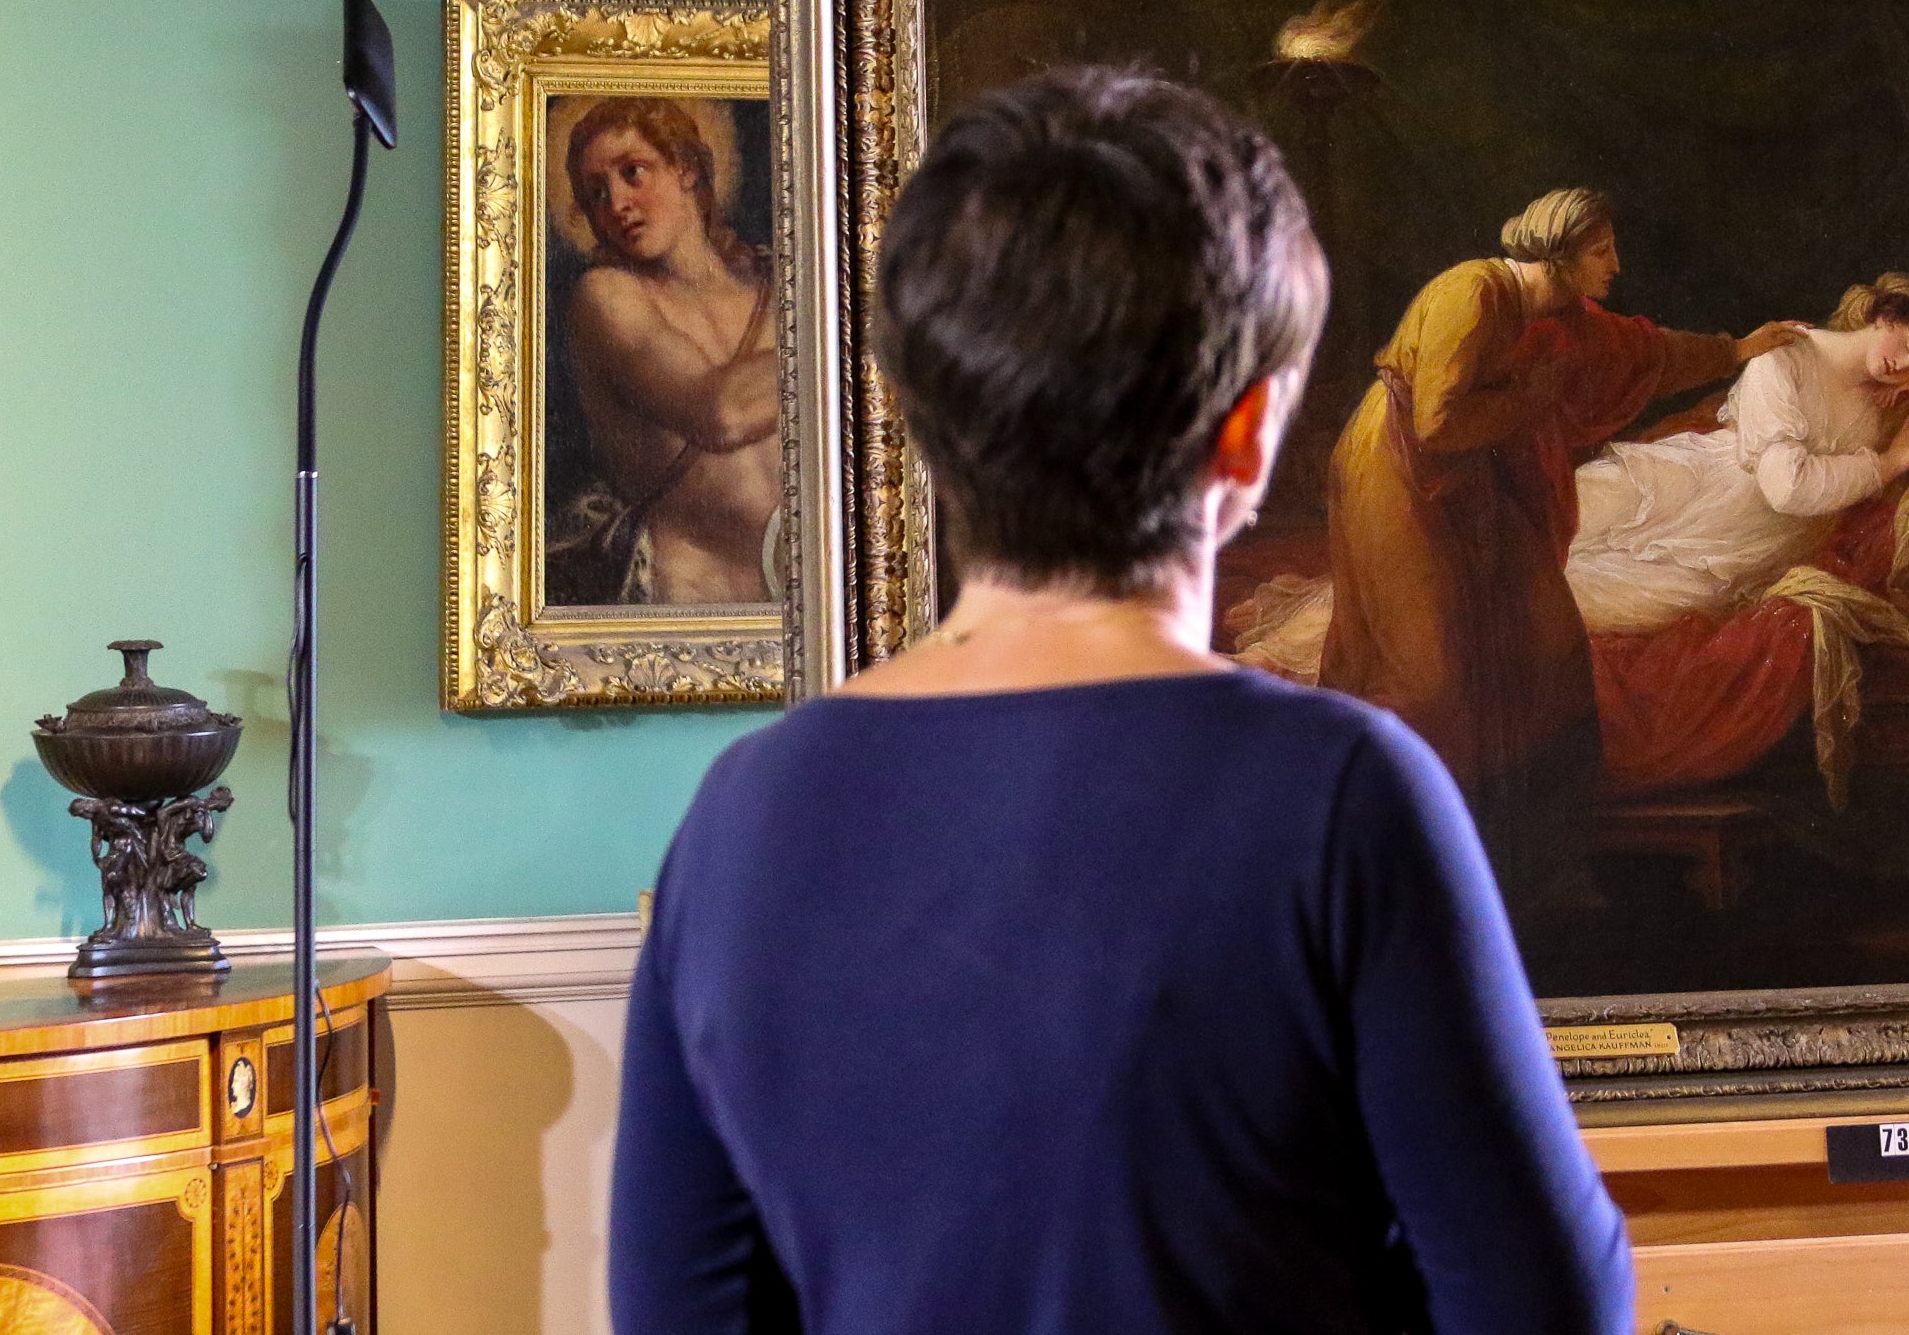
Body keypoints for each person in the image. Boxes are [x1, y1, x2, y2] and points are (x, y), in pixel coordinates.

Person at [610, 69, 1631, 1335]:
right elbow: (1545, 1304)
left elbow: (679, 1311)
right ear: (1251, 438)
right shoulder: (1341, 794)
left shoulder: (744, 813)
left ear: (923, 421)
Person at [1315, 187, 1806, 910]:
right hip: (1396, 475)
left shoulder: (1560, 315)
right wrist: (1533, 397)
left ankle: (1539, 858)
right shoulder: (1472, 292)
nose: (1616, 264)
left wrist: (1736, 350)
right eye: (1602, 251)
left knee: (1548, 644)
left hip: (1467, 477)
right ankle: (1389, 865)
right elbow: (1437, 423)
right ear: (1560, 252)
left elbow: (1642, 350)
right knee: (1427, 669)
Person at [1566, 272, 1909, 634]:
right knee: (1558, 517)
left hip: (1748, 545)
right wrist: (1887, 464)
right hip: (1696, 480)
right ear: (1884, 315)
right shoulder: (1783, 353)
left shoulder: (1892, 409)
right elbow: (1786, 486)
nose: (1904, 369)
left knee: (1582, 598)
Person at [548, 97, 780, 606]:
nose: (617, 204)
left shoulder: (775, 285)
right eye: (596, 193)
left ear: (686, 168)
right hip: (695, 598)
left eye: (634, 173)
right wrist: (849, 343)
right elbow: (720, 415)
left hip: (810, 598)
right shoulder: (608, 298)